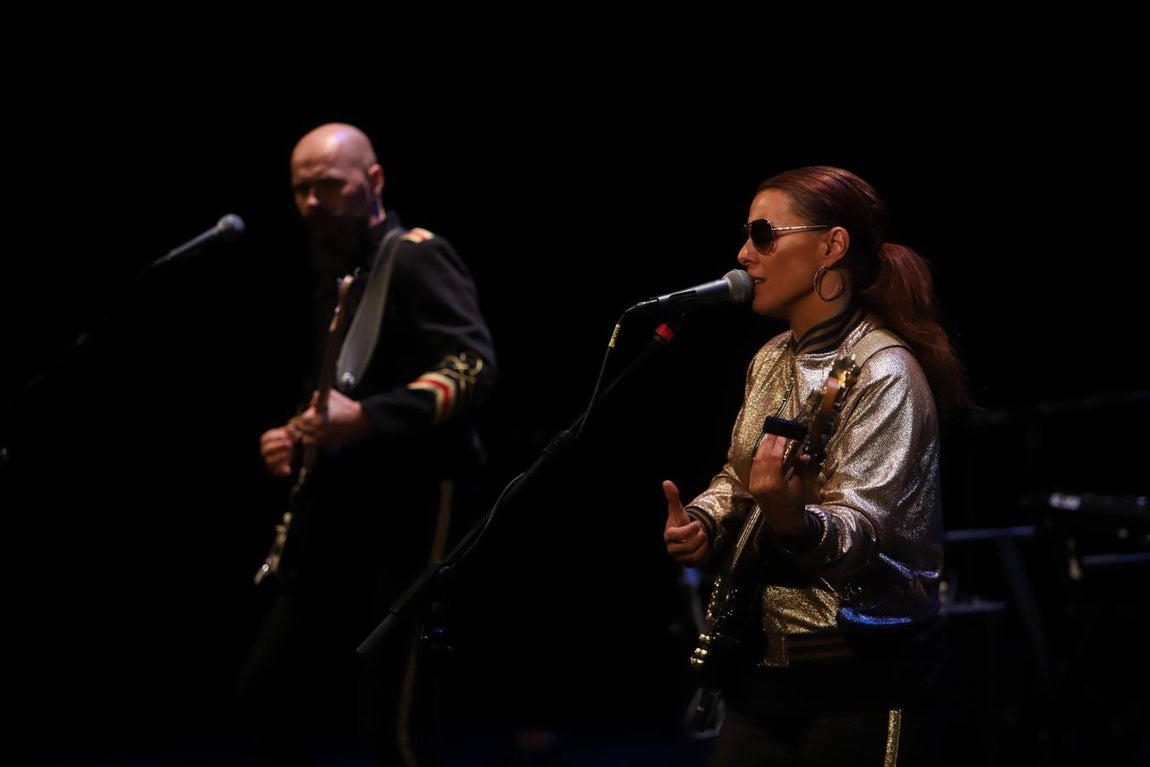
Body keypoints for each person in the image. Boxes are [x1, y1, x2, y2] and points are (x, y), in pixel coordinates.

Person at [662, 165, 974, 766]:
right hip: (760, 673)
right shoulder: (771, 358)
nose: (744, 253)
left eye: (763, 233)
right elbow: (738, 477)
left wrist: (795, 522)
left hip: (854, 676)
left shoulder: (887, 372)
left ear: (831, 246)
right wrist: (705, 519)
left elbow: (870, 532)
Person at [235, 122, 498, 767]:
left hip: (415, 496)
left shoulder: (414, 254)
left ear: (372, 181)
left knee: (394, 709)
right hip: (344, 499)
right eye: (301, 190)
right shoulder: (338, 265)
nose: (312, 203)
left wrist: (372, 417)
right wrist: (299, 433)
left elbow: (474, 364)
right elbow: (338, 382)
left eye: (327, 185)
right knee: (267, 691)